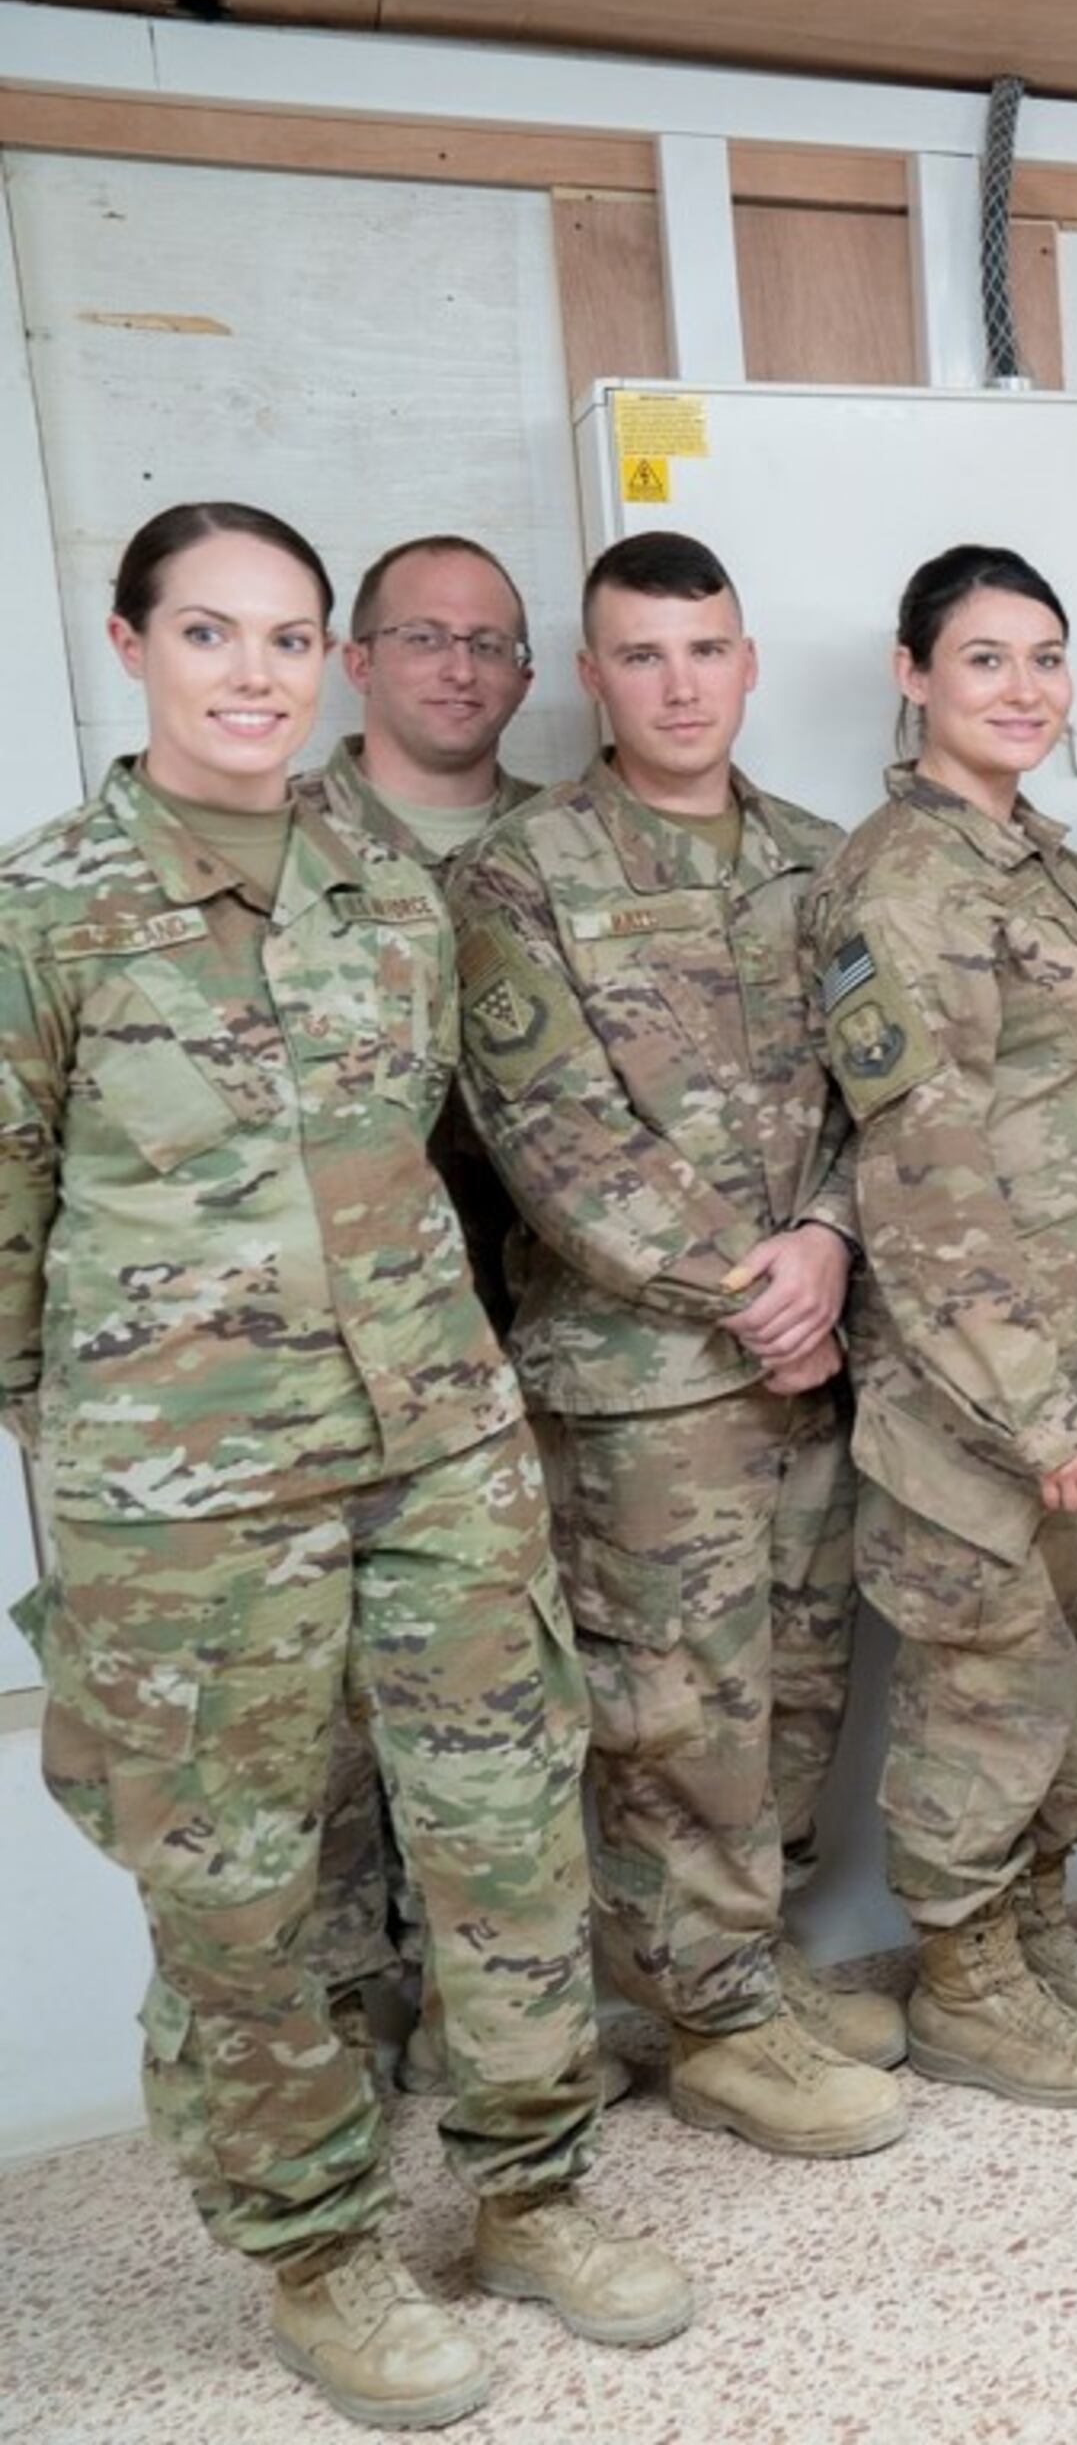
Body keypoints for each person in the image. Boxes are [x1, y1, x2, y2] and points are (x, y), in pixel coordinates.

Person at [2, 503, 691, 2430]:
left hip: (434, 1441)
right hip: (187, 1491)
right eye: (211, 635)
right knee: (242, 1888)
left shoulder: (389, 896)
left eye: (289, 638)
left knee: (504, 1826)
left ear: (330, 666)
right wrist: (81, 1452)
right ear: (132, 646)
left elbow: (441, 1147)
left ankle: (532, 2189)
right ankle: (317, 2251)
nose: (254, 675)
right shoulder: (41, 907)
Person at [443, 529, 902, 2162]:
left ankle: (744, 1962)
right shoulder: (518, 873)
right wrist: (754, 1289)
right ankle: (710, 2022)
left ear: (749, 659)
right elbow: (549, 1140)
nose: (680, 682)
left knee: (794, 1685)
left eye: (706, 648)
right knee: (673, 1711)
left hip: (812, 1353)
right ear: (592, 676)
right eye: (642, 655)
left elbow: (884, 1093)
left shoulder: (821, 856)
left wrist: (831, 1242)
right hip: (644, 1385)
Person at [806, 543, 1077, 2098]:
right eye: (985, 660)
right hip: (988, 1388)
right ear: (914, 676)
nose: (1023, 689)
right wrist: (1035, 1409)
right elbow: (922, 1170)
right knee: (990, 1685)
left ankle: (1025, 1930)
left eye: (1044, 658)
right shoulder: (903, 881)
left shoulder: (1050, 858)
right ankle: (962, 1978)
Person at [306, 533, 546, 2075]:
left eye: (489, 643)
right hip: (326, 1360)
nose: (458, 669)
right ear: (357, 660)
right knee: (328, 1717)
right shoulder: (283, 833)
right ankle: (345, 2006)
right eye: (424, 638)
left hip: (539, 1327)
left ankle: (507, 2023)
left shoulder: (566, 842)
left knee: (517, 1696)